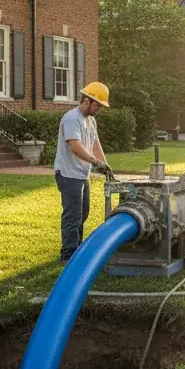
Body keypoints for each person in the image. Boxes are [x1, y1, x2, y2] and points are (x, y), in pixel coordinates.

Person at [54, 81, 115, 262]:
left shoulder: (91, 120)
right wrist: (95, 162)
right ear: (87, 101)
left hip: (82, 174)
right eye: (97, 105)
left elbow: (95, 144)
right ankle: (68, 254)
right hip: (68, 174)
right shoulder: (72, 118)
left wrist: (105, 166)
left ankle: (77, 250)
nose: (99, 109)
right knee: (73, 215)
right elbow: (75, 146)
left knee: (83, 213)